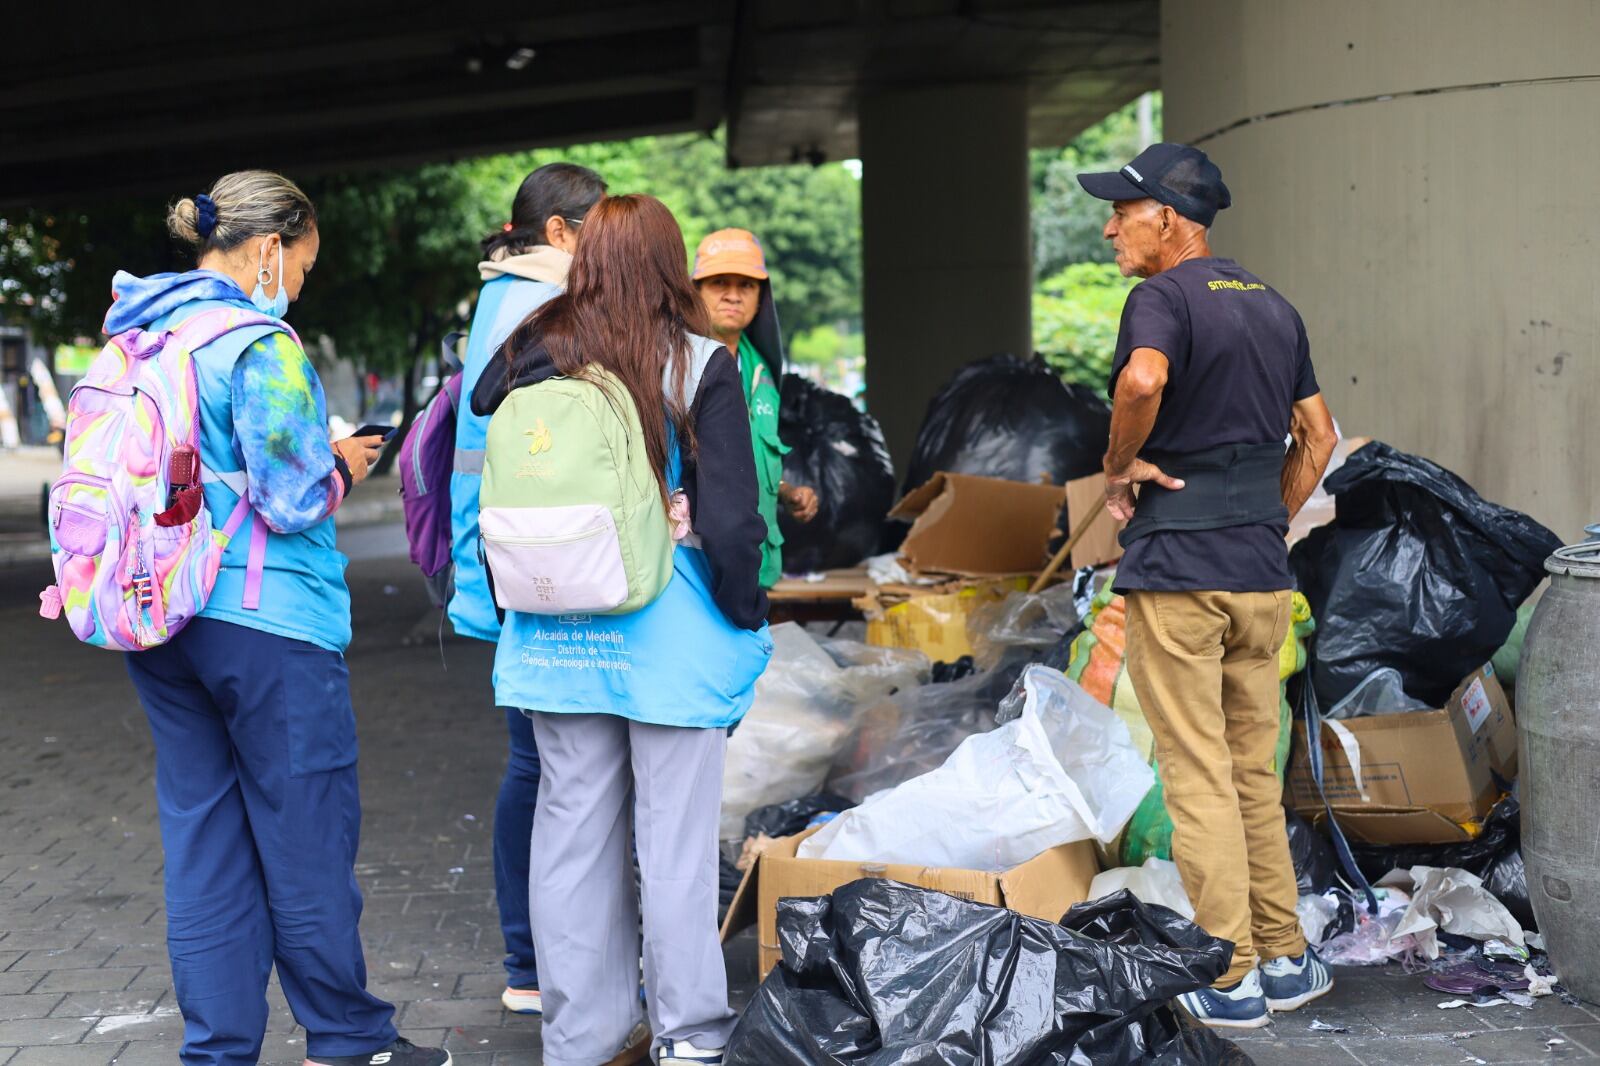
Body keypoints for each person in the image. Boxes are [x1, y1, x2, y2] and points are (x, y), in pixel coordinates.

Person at [112, 171, 448, 1066]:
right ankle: (347, 1039)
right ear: (268, 249)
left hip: (159, 615)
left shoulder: (143, 335)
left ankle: (218, 1051)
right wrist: (344, 462)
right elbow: (293, 496)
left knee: (204, 844)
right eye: (301, 266)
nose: (298, 284)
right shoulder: (259, 343)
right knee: (304, 839)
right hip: (267, 625)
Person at [473, 195, 771, 1066]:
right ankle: (688, 1036)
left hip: (557, 633)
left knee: (570, 839)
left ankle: (581, 1041)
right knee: (673, 848)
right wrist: (746, 612)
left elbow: (485, 407)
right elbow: (731, 521)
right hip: (667, 635)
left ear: (588, 260)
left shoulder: (535, 348)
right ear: (673, 267)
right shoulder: (700, 363)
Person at [1078, 143, 1340, 1028]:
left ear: (1169, 218)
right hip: (1261, 579)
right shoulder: (1274, 305)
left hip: (1181, 576)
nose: (1111, 229)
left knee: (1195, 776)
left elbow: (1144, 377)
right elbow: (1319, 434)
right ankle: (1287, 957)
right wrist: (1268, 520)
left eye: (1123, 212)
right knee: (1251, 775)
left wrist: (1119, 465)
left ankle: (1228, 976)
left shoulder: (1161, 298)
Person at [447, 161, 607, 1018]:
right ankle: (536, 960)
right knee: (548, 767)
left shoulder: (503, 296)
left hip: (510, 560)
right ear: (557, 232)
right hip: (538, 566)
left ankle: (532, 960)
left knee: (537, 763)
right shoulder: (542, 305)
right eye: (598, 228)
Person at [691, 228, 818, 588]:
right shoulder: (678, 366)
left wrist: (786, 492)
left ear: (761, 297)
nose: (733, 295)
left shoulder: (760, 369)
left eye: (746, 285)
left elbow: (749, 461)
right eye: (719, 282)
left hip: (757, 565)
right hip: (699, 566)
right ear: (695, 291)